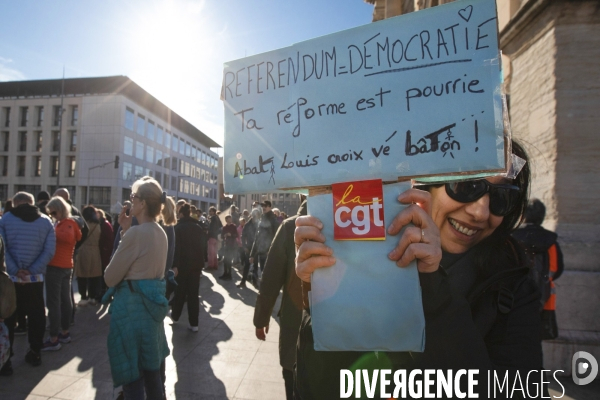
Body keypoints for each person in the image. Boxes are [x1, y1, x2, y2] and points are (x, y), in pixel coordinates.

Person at [294, 142, 542, 398]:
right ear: (425, 185)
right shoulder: (366, 256)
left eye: (502, 197)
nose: (480, 211)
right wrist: (320, 297)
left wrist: (431, 284)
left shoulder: (515, 287)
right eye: (466, 186)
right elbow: (318, 389)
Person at [103, 177, 171, 399]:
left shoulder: (136, 234)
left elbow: (110, 277)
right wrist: (125, 230)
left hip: (131, 314)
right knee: (152, 374)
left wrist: (124, 234)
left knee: (132, 377)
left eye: (133, 197)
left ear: (142, 204)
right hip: (151, 314)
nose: (130, 201)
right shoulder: (160, 232)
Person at [254, 200, 306, 399]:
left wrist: (261, 318)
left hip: (297, 325)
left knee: (293, 380)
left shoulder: (290, 226)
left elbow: (270, 280)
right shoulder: (358, 223)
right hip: (346, 338)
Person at [0, 192, 55, 367]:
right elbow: (49, 251)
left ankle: (6, 358)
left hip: (11, 279)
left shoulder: (6, 219)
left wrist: (16, 270)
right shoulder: (46, 221)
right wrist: (31, 271)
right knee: (37, 315)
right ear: (32, 203)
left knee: (8, 316)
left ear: (16, 203)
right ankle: (35, 352)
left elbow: (3, 248)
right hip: (35, 279)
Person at [512, 198, 564, 340]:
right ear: (542, 217)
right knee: (535, 343)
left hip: (514, 300)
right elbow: (557, 269)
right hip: (544, 299)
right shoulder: (551, 242)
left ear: (522, 216)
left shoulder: (513, 238)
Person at [41, 196, 82, 351]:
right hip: (66, 266)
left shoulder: (67, 224)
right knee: (65, 300)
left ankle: (54, 337)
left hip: (57, 266)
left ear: (60, 209)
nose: (52, 215)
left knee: (54, 302)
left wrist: (50, 231)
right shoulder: (68, 223)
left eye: (53, 212)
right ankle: (64, 332)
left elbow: (68, 237)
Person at [170, 203, 206, 331]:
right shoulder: (197, 227)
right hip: (196, 265)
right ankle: (194, 323)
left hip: (182, 265)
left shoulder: (178, 228)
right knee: (193, 295)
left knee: (180, 292)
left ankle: (175, 316)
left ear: (180, 214)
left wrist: (175, 265)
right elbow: (203, 247)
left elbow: (177, 249)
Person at [75, 206, 103, 306]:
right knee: (93, 275)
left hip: (83, 250)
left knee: (82, 275)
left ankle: (83, 297)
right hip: (95, 251)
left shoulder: (83, 225)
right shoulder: (98, 225)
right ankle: (92, 297)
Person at [250, 200, 279, 282]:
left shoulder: (274, 221)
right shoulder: (261, 220)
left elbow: (277, 238)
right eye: (262, 206)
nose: (263, 207)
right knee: (264, 274)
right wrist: (252, 254)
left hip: (269, 253)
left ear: (270, 207)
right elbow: (257, 238)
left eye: (265, 206)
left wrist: (271, 251)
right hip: (261, 252)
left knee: (269, 276)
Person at [237, 208, 261, 289]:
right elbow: (243, 236)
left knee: (255, 265)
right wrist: (244, 246)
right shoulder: (247, 225)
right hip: (249, 247)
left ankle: (255, 282)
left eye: (257, 214)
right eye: (254, 214)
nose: (255, 216)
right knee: (247, 265)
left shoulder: (259, 224)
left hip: (256, 248)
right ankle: (243, 281)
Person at [96, 209, 114, 299]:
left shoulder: (105, 224)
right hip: (104, 251)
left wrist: (105, 248)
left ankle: (106, 292)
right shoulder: (103, 223)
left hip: (105, 252)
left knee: (104, 271)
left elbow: (109, 239)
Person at [219, 215, 238, 280]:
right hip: (226, 245)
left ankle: (229, 274)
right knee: (225, 260)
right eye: (229, 218)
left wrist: (231, 235)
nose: (230, 219)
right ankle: (225, 273)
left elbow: (236, 235)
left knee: (229, 260)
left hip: (232, 245)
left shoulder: (234, 226)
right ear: (226, 220)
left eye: (230, 218)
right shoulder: (224, 227)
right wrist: (224, 235)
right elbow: (222, 236)